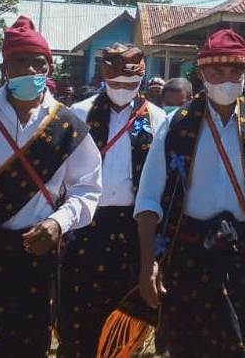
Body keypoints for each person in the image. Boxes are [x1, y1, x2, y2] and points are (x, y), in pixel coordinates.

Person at [0, 16, 102, 358]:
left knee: (27, 345)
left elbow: (87, 187)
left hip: (35, 254)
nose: (29, 70)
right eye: (19, 62)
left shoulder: (68, 124)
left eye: (37, 62)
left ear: (49, 67)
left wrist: (58, 222)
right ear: (5, 69)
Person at [134, 29, 245, 357]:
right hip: (188, 254)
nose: (227, 80)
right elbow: (149, 199)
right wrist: (147, 263)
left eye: (236, 71)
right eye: (217, 71)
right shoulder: (177, 124)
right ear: (201, 73)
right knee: (190, 347)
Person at [60, 43, 166, 357]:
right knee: (79, 316)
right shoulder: (79, 113)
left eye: (131, 83)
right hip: (85, 226)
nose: (123, 88)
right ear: (104, 77)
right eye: (116, 82)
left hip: (134, 228)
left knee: (125, 319)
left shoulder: (157, 118)